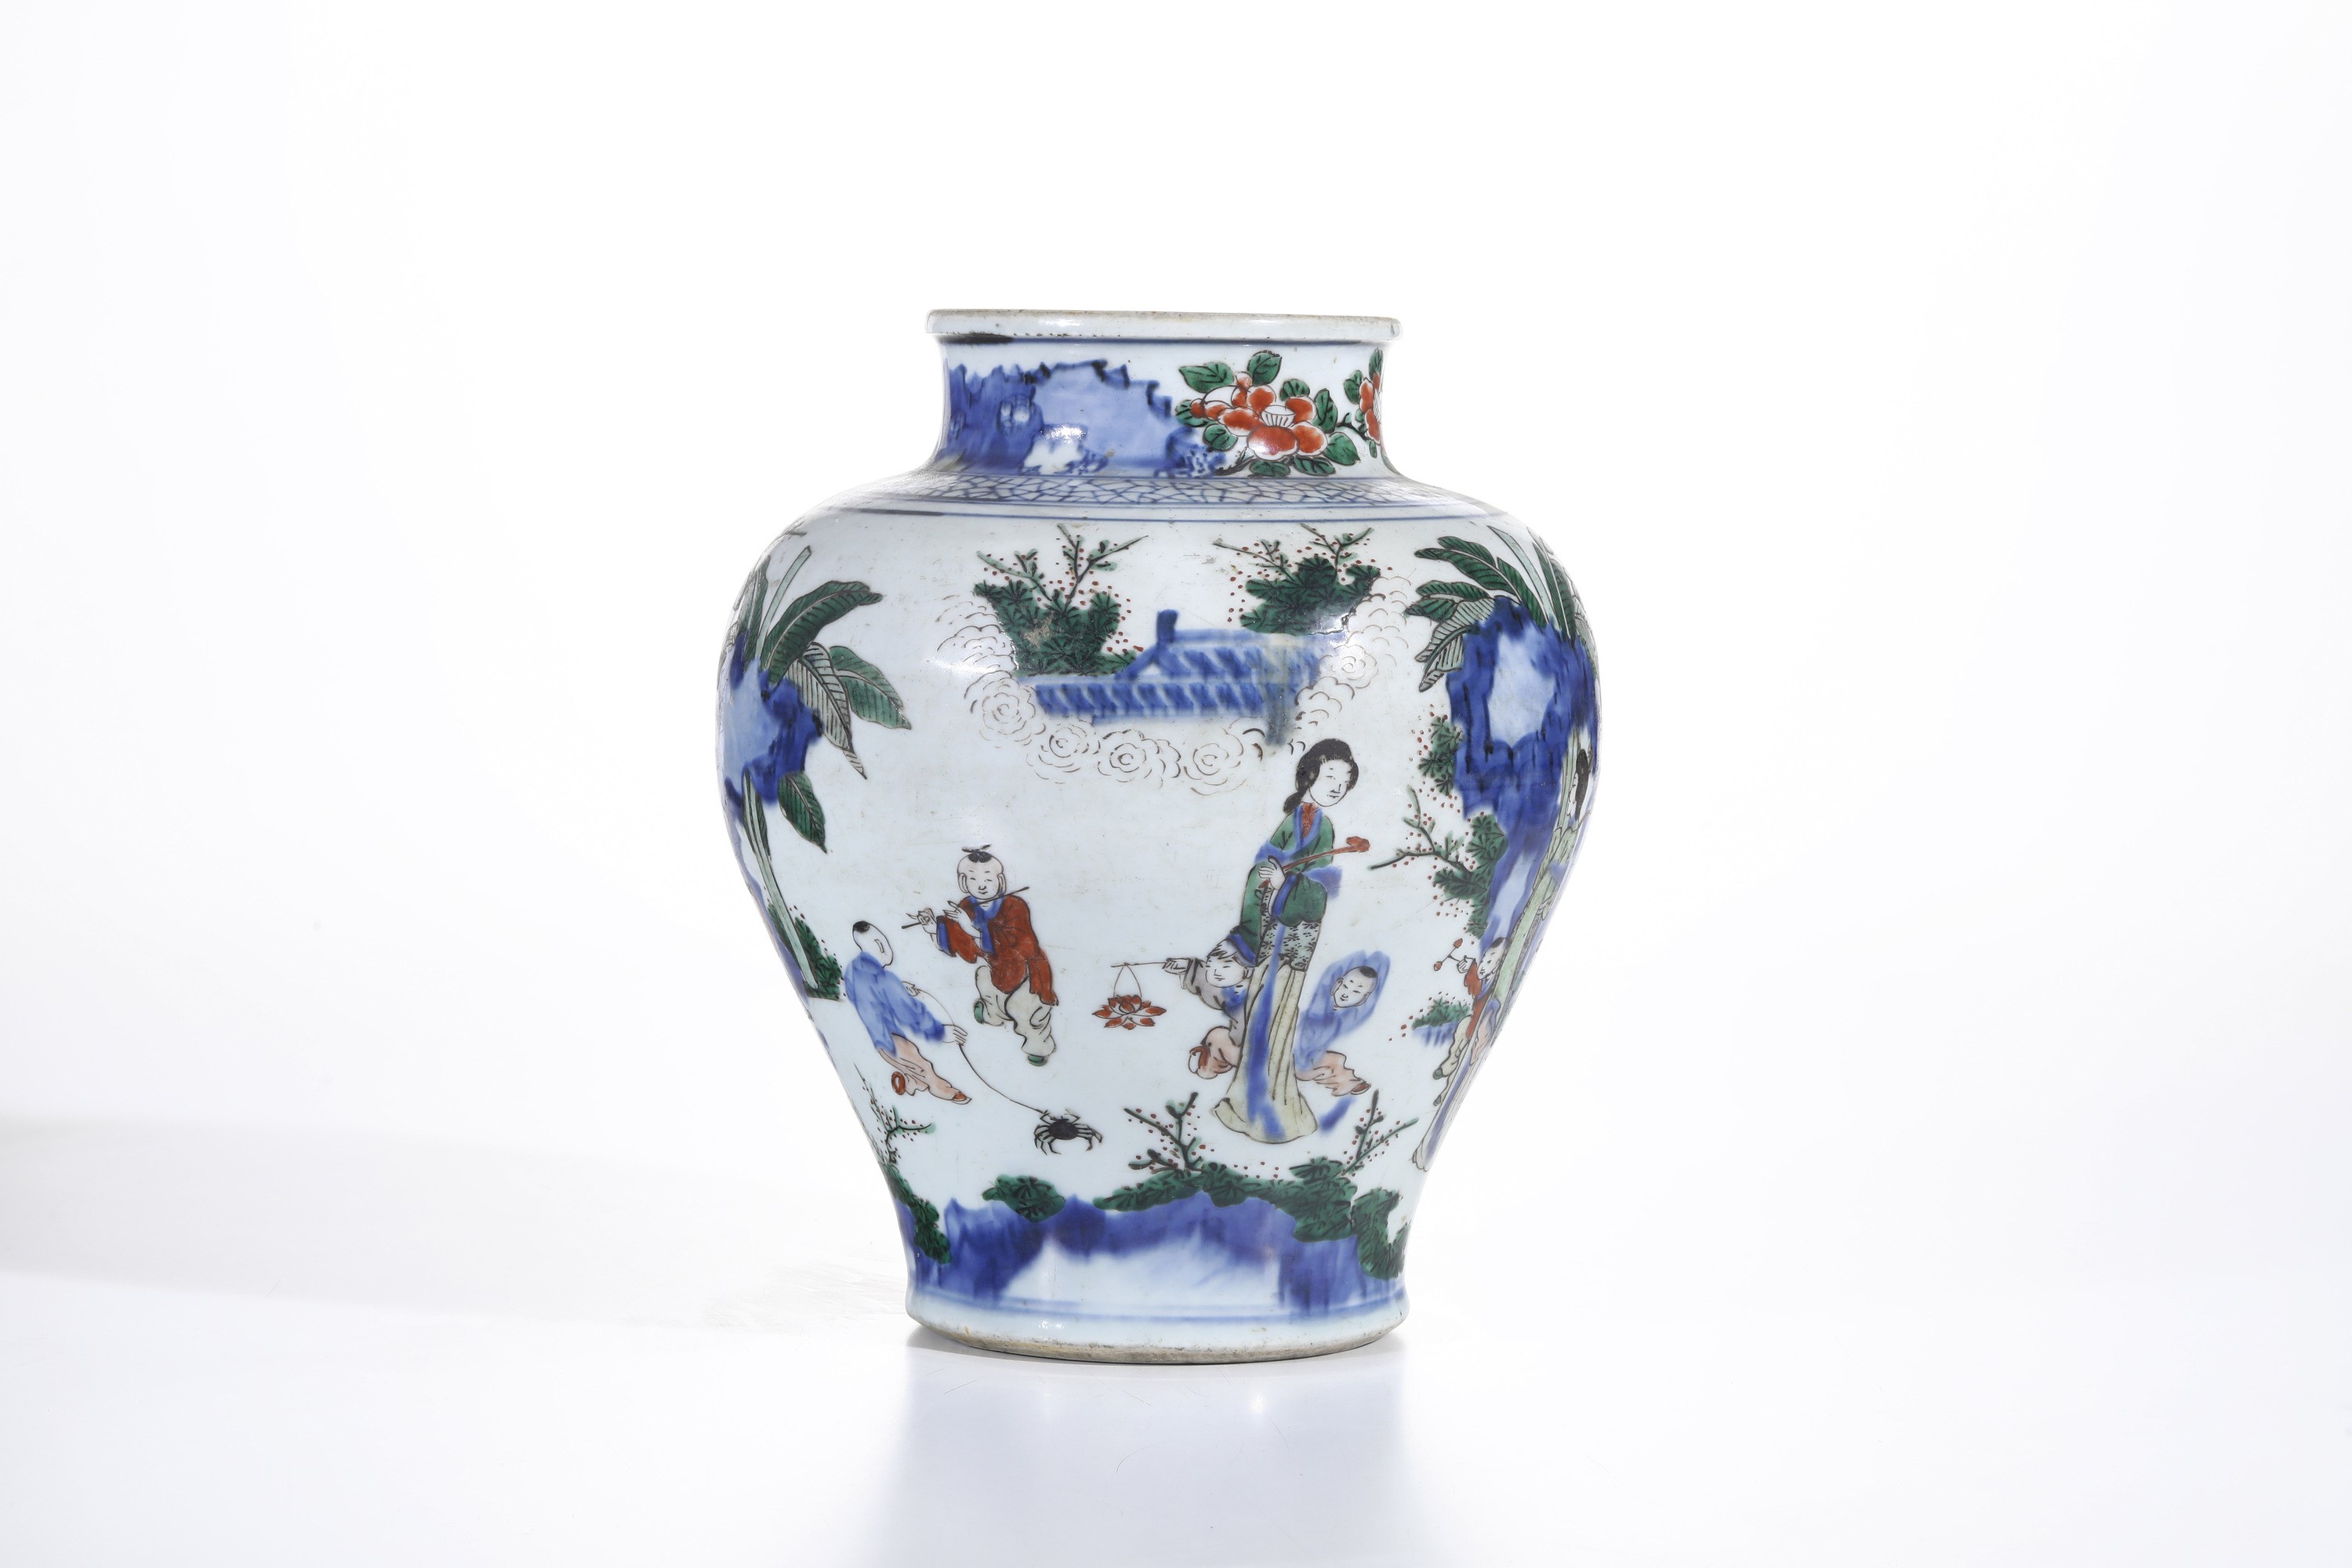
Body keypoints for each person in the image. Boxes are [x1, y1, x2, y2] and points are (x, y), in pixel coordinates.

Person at [1215, 739, 1359, 1143]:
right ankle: (1246, 1101)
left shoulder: (1324, 826)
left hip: (1292, 933)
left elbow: (1322, 884)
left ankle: (1272, 1106)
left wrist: (1285, 883)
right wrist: (1271, 880)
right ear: (1309, 775)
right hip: (1273, 930)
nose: (1337, 787)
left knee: (1276, 1011)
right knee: (1261, 1010)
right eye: (1330, 777)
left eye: (1344, 781)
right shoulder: (1296, 818)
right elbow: (1263, 864)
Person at [915, 848, 1060, 1065]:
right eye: (973, 879)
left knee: (1024, 1009)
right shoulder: (967, 907)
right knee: (984, 979)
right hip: (996, 970)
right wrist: (932, 929)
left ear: (1000, 880)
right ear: (963, 882)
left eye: (988, 879)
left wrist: (973, 929)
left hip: (1028, 971)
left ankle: (1038, 1047)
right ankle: (993, 1015)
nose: (982, 885)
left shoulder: (1015, 906)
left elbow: (1021, 945)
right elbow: (957, 939)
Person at [841, 921, 968, 1103]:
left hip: (877, 1040)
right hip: (893, 1039)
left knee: (911, 1068)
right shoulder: (884, 979)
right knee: (923, 1066)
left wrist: (897, 989)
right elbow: (910, 1012)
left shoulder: (852, 970)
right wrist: (939, 1031)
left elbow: (863, 996)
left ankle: (908, 1084)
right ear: (880, 944)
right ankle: (945, 1091)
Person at [1164, 938, 1251, 1080]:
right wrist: (1188, 967)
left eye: (1226, 965)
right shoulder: (1232, 991)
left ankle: (1210, 1068)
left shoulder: (1248, 994)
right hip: (1247, 1048)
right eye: (1210, 964)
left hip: (1255, 1052)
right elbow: (1212, 986)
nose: (1215, 971)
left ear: (1248, 970)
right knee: (1217, 1037)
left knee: (1217, 1037)